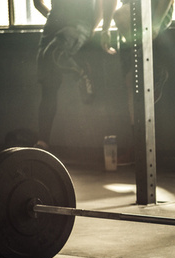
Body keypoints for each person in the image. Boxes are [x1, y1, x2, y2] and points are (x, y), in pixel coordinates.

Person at [34, 0, 117, 150]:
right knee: (48, 86)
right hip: (53, 24)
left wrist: (101, 28)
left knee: (55, 53)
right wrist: (55, 19)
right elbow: (37, 3)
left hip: (79, 23)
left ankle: (82, 72)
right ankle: (43, 142)